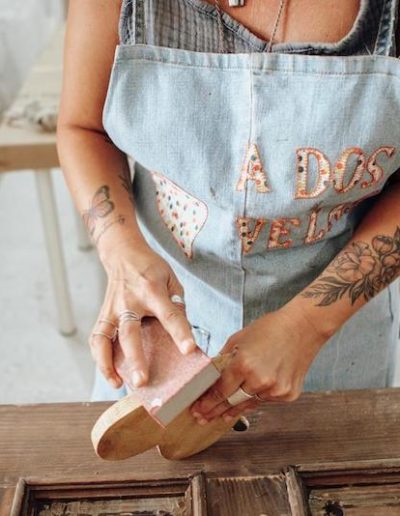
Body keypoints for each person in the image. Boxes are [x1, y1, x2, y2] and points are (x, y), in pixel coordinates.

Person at [57, 0, 400, 425]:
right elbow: (84, 128)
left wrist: (308, 326)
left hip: (336, 337)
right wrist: (122, 253)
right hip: (160, 339)